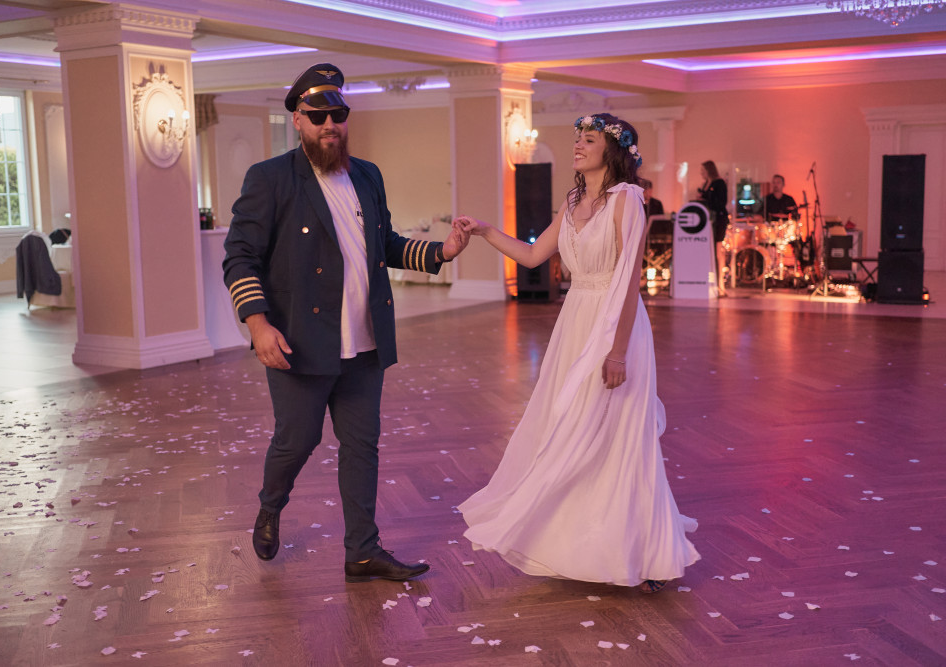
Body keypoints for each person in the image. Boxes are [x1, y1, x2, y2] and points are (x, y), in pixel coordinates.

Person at [222, 63, 469, 581]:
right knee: (297, 440)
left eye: (338, 114)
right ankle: (270, 505)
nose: (329, 125)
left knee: (362, 446)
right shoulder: (270, 178)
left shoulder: (367, 175)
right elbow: (240, 257)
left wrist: (441, 252)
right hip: (299, 342)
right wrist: (258, 325)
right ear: (298, 120)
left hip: (364, 344)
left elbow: (386, 245)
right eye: (318, 117)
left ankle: (362, 550)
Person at [455, 114, 699, 593]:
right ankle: (574, 543)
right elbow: (532, 256)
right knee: (569, 427)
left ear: (613, 151)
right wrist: (485, 231)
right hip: (574, 324)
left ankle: (643, 552)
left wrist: (618, 352)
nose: (578, 146)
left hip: (615, 325)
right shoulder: (571, 202)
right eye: (577, 139)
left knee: (619, 435)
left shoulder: (628, 200)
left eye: (589, 140)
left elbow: (629, 280)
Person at [697, 160, 728, 293]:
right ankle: (710, 281)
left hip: (718, 220)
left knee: (717, 250)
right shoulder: (705, 184)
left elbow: (721, 202)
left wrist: (705, 198)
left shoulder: (719, 183)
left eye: (703, 171)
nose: (701, 173)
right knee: (710, 251)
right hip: (708, 220)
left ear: (709, 170)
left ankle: (720, 283)